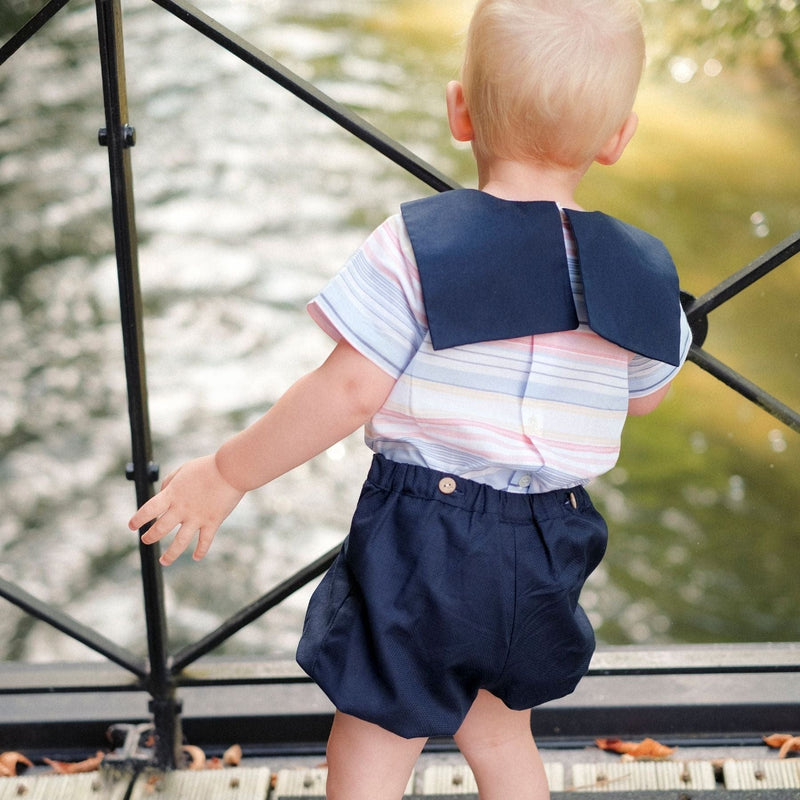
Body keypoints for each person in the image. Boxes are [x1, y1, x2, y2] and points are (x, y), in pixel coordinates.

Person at [129, 0, 692, 797]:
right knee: (500, 733)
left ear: (460, 110)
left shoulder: (417, 247)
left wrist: (226, 473)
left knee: (376, 736)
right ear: (618, 136)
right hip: (550, 541)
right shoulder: (642, 270)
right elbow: (645, 397)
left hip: (425, 534)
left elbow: (349, 389)